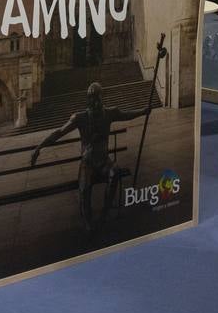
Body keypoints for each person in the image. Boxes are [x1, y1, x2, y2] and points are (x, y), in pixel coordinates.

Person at [29, 83, 150, 230]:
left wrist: (144, 111)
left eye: (98, 98)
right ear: (89, 100)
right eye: (92, 99)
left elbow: (127, 115)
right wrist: (39, 147)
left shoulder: (110, 113)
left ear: (101, 97)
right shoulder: (80, 118)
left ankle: (105, 213)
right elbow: (59, 132)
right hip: (88, 163)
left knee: (115, 172)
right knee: (85, 188)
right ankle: (88, 222)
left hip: (105, 161)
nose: (96, 102)